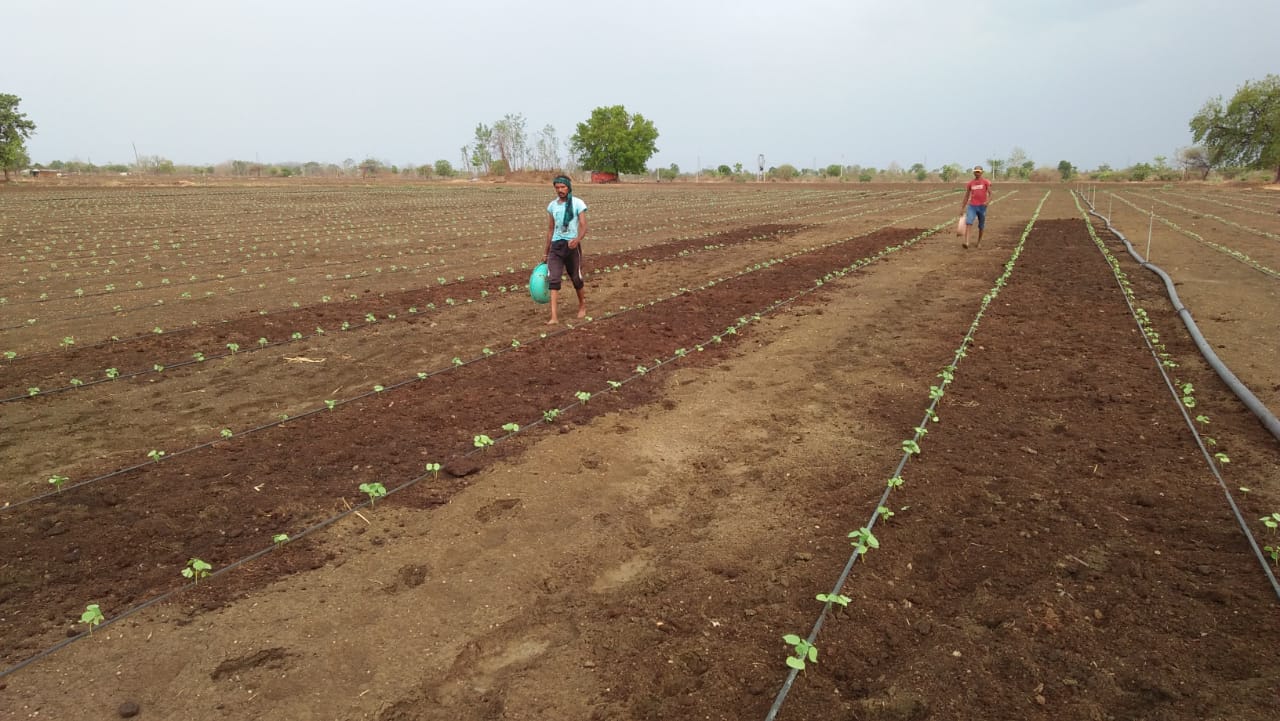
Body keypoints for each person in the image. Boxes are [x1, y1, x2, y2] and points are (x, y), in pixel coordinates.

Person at [543, 175, 588, 324]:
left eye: (562, 187)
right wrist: (546, 252)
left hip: (572, 246)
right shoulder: (552, 206)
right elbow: (550, 229)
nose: (560, 190)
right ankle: (554, 317)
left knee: (576, 278)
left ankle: (582, 305)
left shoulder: (577, 203)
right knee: (553, 280)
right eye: (557, 188)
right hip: (556, 247)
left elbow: (583, 225)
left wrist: (577, 239)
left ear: (568, 187)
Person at [960, 165, 993, 249]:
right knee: (969, 222)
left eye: (978, 171)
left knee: (981, 225)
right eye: (975, 171)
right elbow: (966, 196)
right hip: (972, 206)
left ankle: (979, 242)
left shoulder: (985, 182)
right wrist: (962, 208)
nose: (977, 173)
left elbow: (991, 194)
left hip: (982, 207)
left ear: (982, 172)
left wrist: (987, 202)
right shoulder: (970, 183)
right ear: (974, 172)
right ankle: (966, 242)